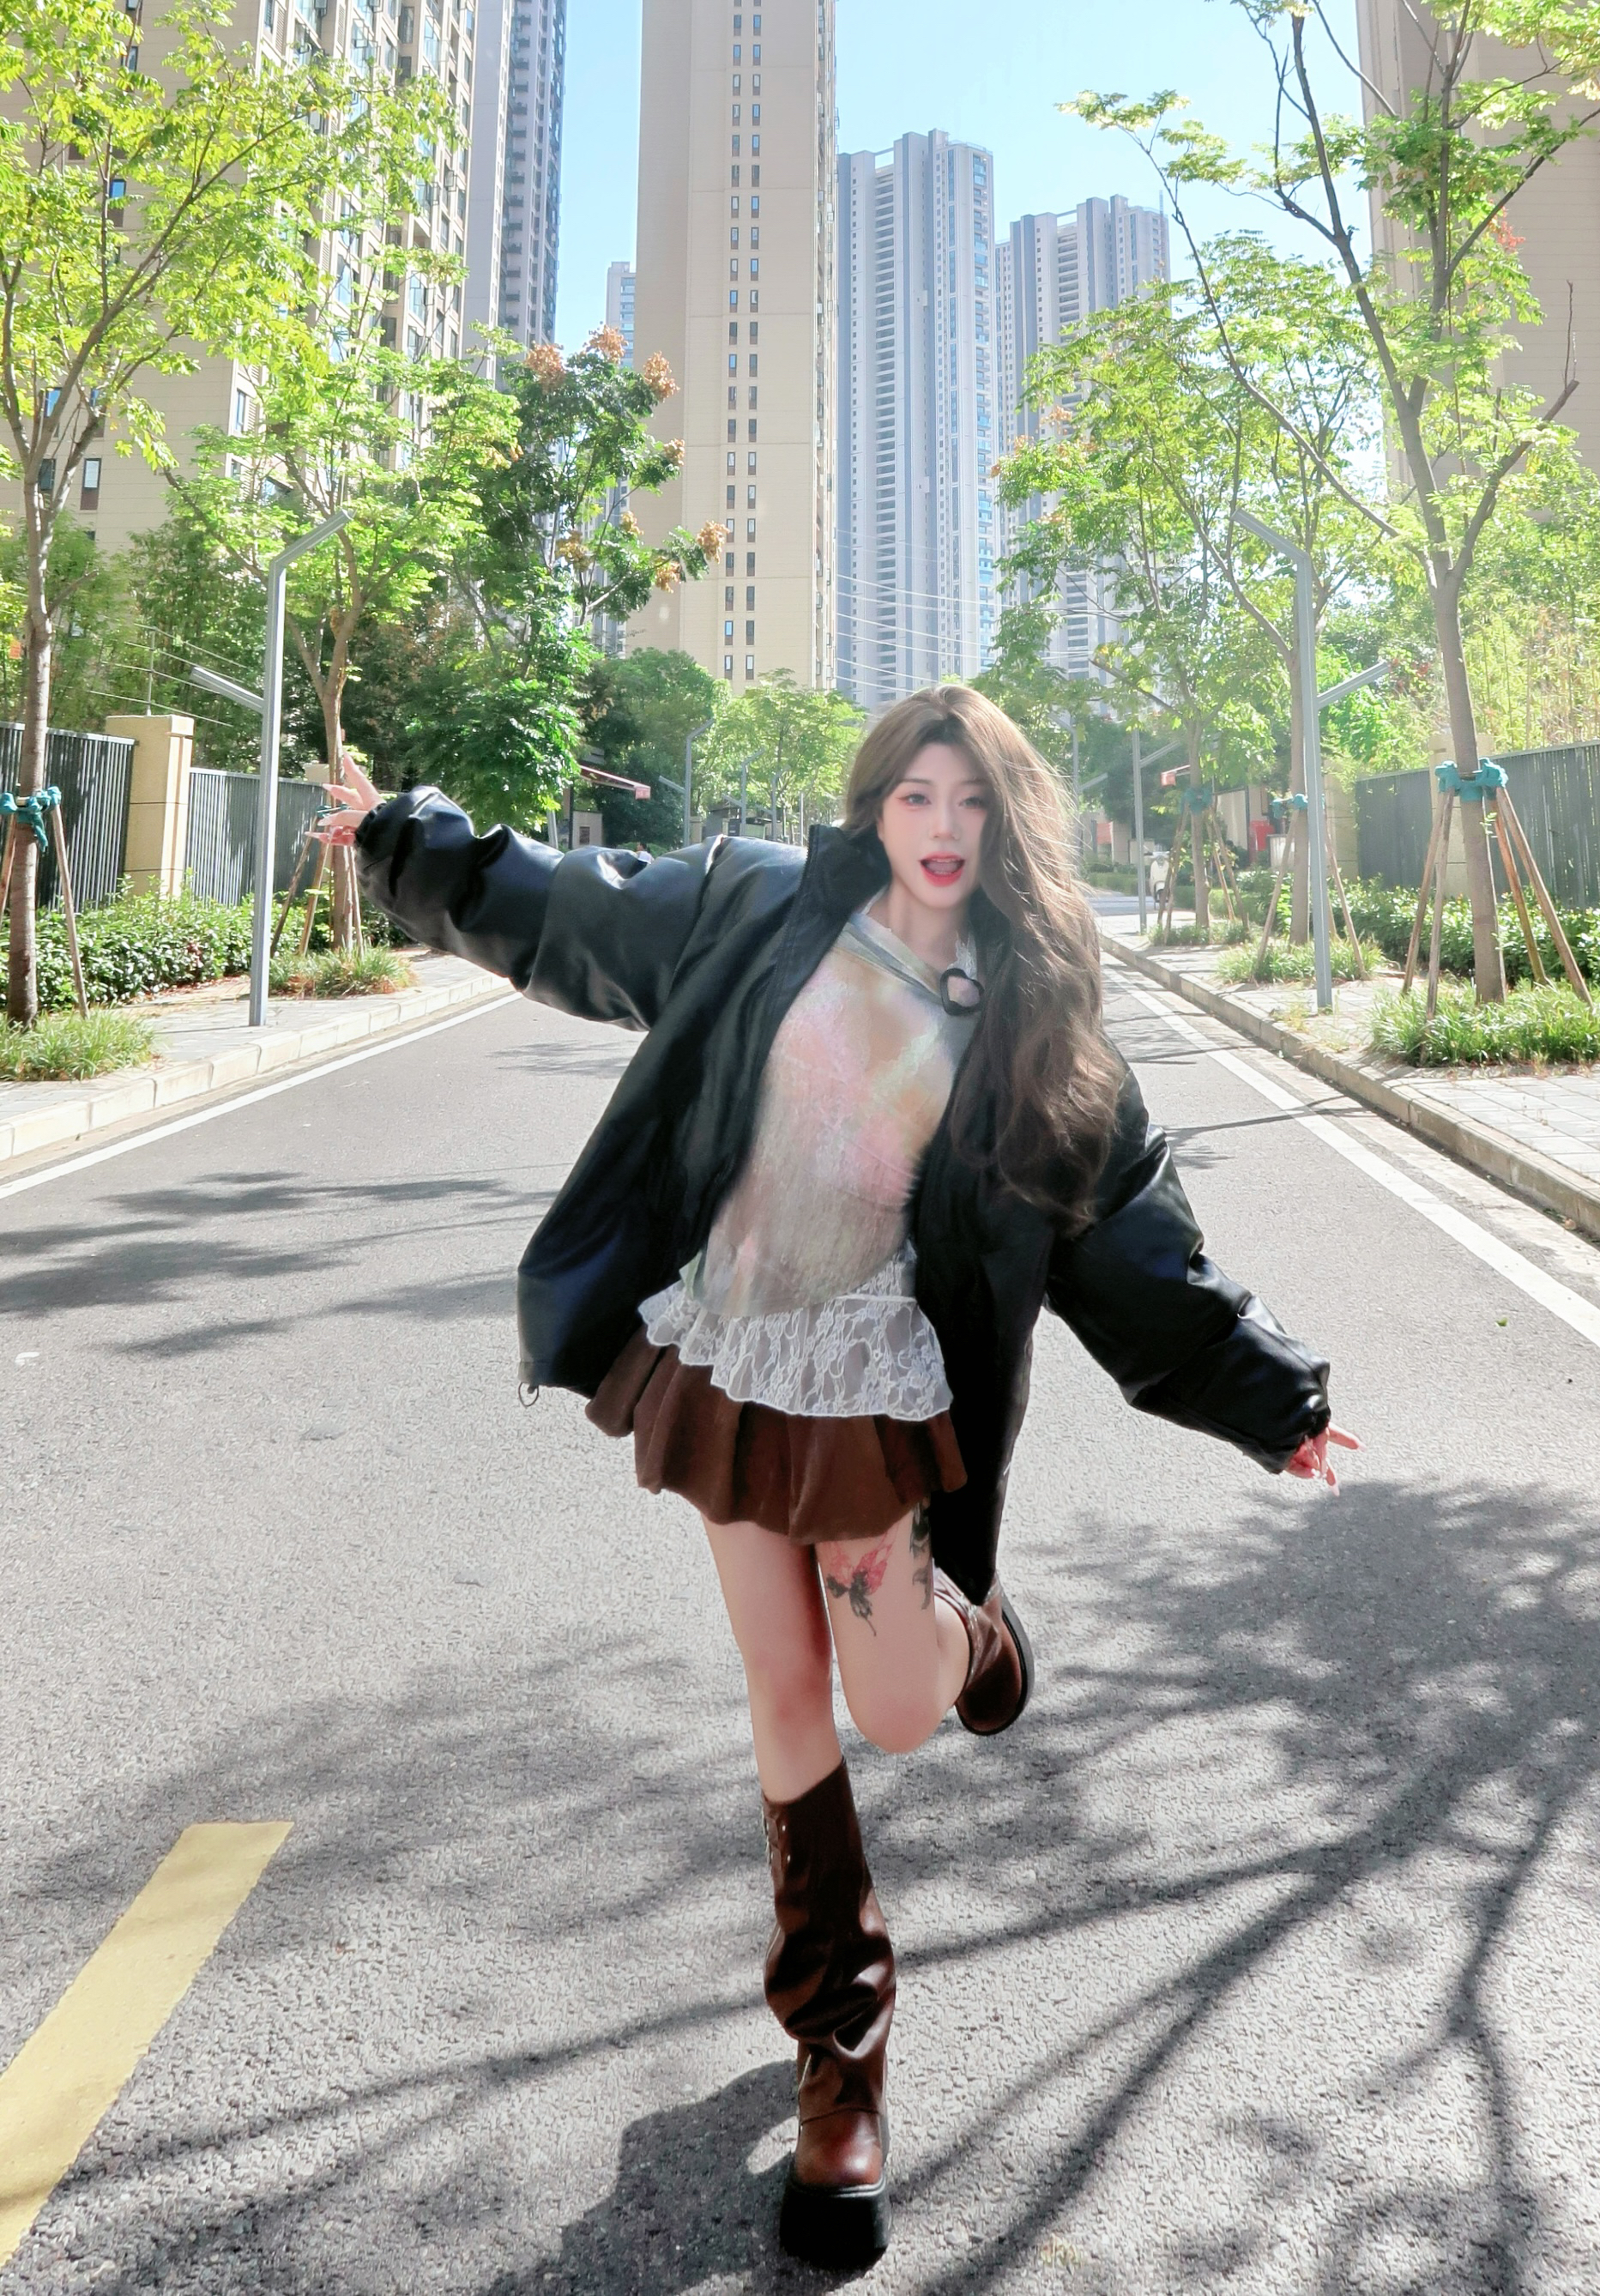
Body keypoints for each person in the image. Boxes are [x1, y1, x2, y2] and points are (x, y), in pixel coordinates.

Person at [319, 686, 1355, 2269]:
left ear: (1008, 824)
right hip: (733, 1347)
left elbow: (1138, 1246)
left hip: (871, 1379)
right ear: (875, 806)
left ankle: (973, 1635)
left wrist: (1274, 1400)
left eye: (973, 803)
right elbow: (573, 910)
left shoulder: (1033, 1020)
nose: (942, 829)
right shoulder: (757, 908)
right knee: (785, 1688)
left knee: (897, 1708)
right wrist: (404, 844)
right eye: (916, 797)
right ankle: (841, 2050)